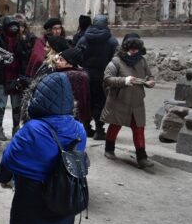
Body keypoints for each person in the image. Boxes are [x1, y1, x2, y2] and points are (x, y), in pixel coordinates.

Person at [0, 72, 87, 224]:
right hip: (64, 196)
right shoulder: (79, 129)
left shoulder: (32, 129)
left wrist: (4, 178)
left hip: (32, 197)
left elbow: (8, 160)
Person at [101, 33, 155, 168]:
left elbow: (149, 75)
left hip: (136, 102)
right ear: (125, 47)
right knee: (115, 124)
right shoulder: (116, 61)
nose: (134, 51)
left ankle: (142, 157)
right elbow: (107, 79)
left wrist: (149, 82)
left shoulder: (142, 61)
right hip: (120, 100)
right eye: (131, 48)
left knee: (139, 128)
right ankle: (109, 149)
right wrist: (124, 81)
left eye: (136, 49)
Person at [76, 15, 118, 140]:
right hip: (103, 76)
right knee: (100, 102)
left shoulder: (83, 39)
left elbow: (77, 55)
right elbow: (116, 60)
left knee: (86, 101)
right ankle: (99, 130)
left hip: (85, 75)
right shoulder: (111, 41)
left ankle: (86, 127)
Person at [1, 16, 32, 137]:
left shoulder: (22, 40)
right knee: (1, 104)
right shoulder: (1, 39)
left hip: (17, 75)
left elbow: (25, 57)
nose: (15, 29)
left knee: (16, 104)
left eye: (18, 26)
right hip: (3, 76)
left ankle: (16, 127)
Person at [55, 47, 91, 125]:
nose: (57, 62)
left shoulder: (68, 76)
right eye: (57, 59)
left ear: (70, 62)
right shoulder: (81, 74)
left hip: (66, 115)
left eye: (61, 60)